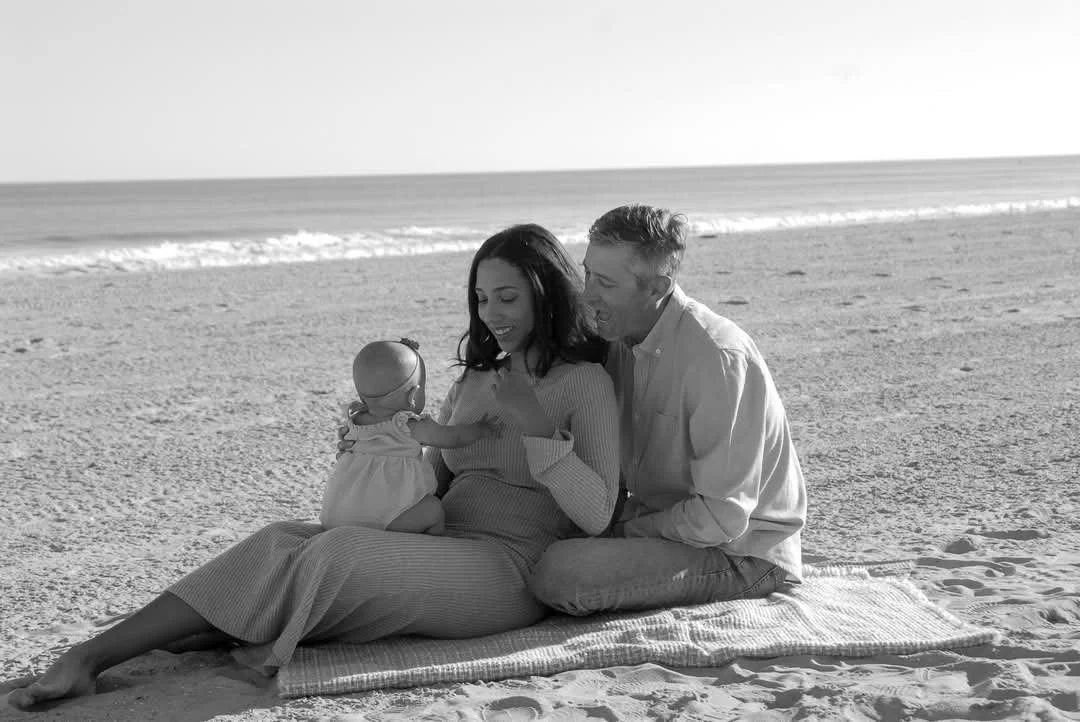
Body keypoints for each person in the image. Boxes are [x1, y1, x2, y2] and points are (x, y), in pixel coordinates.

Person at [7, 223, 620, 710]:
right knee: (280, 540)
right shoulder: (480, 378)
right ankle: (92, 656)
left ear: (546, 292)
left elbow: (594, 516)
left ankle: (175, 641)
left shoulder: (584, 383)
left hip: (507, 569)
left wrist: (537, 425)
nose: (491, 313)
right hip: (439, 538)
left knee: (337, 553)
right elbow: (439, 476)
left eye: (508, 297)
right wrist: (377, 449)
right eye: (482, 298)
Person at [528, 204, 808, 616]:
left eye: (605, 283)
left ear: (657, 288)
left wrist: (627, 530)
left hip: (741, 552)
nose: (587, 295)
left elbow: (721, 518)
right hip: (667, 529)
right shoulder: (617, 336)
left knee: (561, 572)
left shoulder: (715, 357)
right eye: (587, 273)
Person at [322, 337, 501, 533]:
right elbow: (453, 437)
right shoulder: (408, 425)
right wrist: (480, 429)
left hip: (337, 515)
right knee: (433, 509)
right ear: (413, 396)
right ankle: (429, 547)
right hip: (385, 519)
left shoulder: (355, 422)